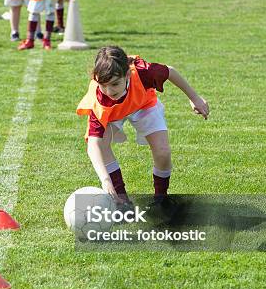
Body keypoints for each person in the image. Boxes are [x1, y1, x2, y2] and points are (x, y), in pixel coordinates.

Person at [77, 46, 209, 204]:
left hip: (143, 104)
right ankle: (122, 202)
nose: (108, 90)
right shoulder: (99, 99)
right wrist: (105, 180)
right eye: (102, 84)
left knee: (163, 152)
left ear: (127, 75)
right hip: (112, 114)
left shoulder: (143, 72)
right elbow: (93, 146)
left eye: (114, 84)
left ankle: (161, 200)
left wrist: (195, 98)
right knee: (102, 146)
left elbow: (170, 71)